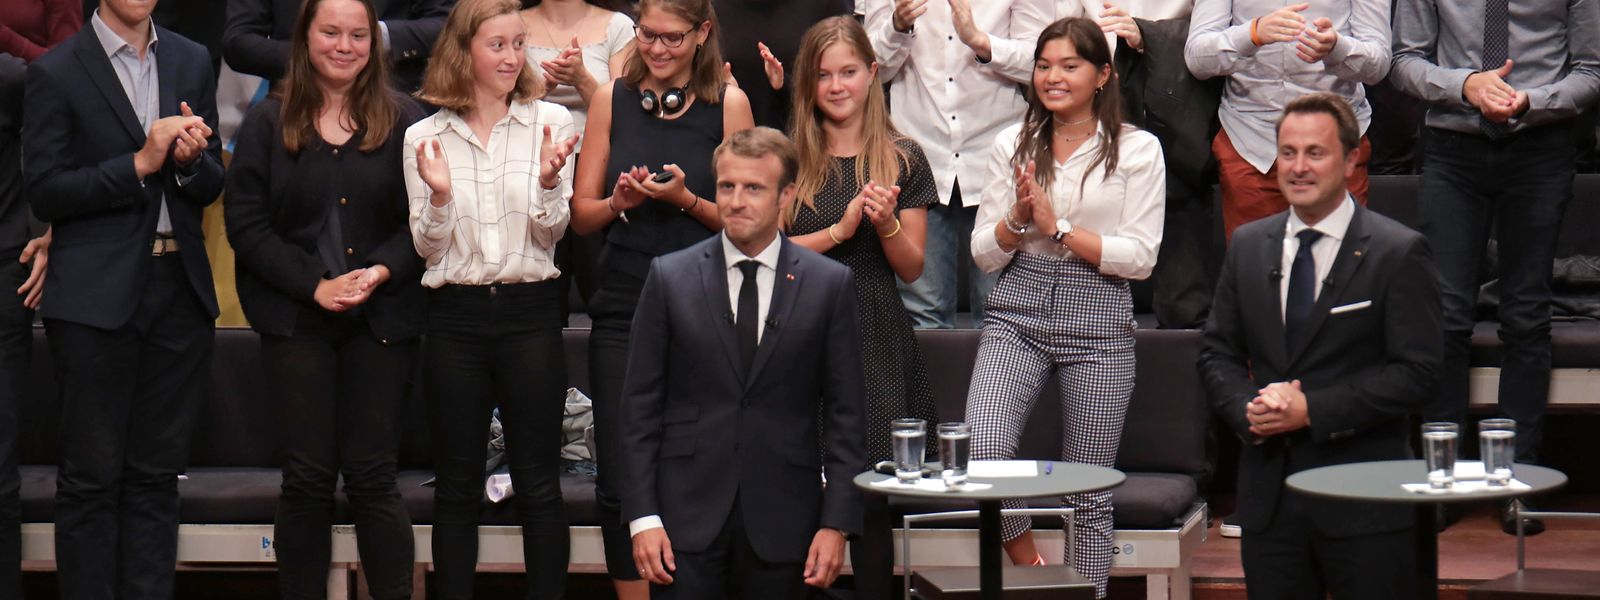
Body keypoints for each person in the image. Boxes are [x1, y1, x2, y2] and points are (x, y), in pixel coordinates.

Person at [1198, 92, 1442, 599]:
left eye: (1315, 152)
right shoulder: (1248, 246)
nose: (1299, 167)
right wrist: (1248, 409)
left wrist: (1312, 410)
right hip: (1271, 502)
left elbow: (1418, 373)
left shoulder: (1397, 251)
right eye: (1288, 153)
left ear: (1351, 160)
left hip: (1367, 501)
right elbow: (1217, 353)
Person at [22, 0, 225, 597]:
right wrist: (139, 163)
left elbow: (211, 184)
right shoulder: (56, 70)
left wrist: (190, 162)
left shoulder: (191, 58)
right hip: (93, 300)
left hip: (178, 289)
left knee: (157, 480)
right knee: (90, 481)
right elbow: (47, 191)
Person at [224, 0, 424, 597]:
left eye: (358, 34)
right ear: (304, 37)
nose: (345, 46)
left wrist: (380, 271)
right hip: (296, 321)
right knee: (307, 479)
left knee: (374, 477)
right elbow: (246, 226)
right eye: (331, 32)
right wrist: (314, 284)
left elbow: (427, 222)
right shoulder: (267, 121)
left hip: (381, 319)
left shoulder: (407, 119)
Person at [963, 17, 1164, 598]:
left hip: (1099, 315)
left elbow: (1141, 257)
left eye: (1069, 65)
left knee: (1089, 488)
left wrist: (1060, 228)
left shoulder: (1137, 148)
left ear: (1102, 75)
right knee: (984, 451)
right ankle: (1035, 573)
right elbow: (984, 253)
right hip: (1018, 309)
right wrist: (1016, 220)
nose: (1053, 76)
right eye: (1044, 65)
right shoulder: (1012, 143)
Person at [622, 126, 866, 600]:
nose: (736, 201)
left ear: (785, 196)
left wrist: (836, 523)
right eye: (726, 186)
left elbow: (847, 417)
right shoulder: (670, 277)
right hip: (683, 524)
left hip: (786, 522)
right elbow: (638, 410)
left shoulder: (828, 284)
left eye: (753, 188)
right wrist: (642, 518)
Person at [1391, 0, 1600, 535]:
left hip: (1541, 145)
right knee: (1445, 315)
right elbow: (1404, 60)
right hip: (1452, 148)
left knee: (1526, 315)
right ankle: (1441, 480)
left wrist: (1533, 99)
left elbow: (1591, 70)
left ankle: (1515, 479)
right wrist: (1465, 85)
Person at [567, 0, 753, 595]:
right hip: (624, 297)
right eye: (648, 35)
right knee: (620, 473)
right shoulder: (610, 99)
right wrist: (618, 202)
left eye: (673, 38)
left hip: (709, 301)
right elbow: (581, 216)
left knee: (701, 466)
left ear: (702, 33)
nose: (658, 49)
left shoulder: (730, 104)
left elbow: (750, 223)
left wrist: (686, 201)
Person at [403, 0, 580, 597]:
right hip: (454, 318)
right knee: (456, 487)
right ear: (463, 51)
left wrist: (551, 182)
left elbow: (552, 234)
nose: (512, 57)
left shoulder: (551, 120)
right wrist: (440, 198)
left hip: (531, 314)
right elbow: (427, 248)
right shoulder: (423, 135)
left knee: (540, 484)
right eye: (497, 45)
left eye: (518, 44)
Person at [780, 16, 936, 599]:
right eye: (823, 75)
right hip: (797, 329)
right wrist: (840, 231)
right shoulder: (789, 157)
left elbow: (912, 267)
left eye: (848, 72)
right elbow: (766, 252)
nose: (836, 85)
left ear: (873, 73)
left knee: (871, 490)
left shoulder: (903, 157)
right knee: (798, 481)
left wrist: (887, 223)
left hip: (873, 329)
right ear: (808, 82)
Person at [863, 0, 1053, 329]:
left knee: (1002, 316)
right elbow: (870, 68)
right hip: (919, 160)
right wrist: (897, 26)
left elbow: (1041, 64)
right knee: (923, 317)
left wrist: (981, 42)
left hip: (997, 160)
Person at [1184, 0, 1389, 242]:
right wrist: (1252, 34)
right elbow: (1197, 58)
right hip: (1251, 140)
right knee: (1254, 261)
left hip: (1333, 141)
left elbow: (1379, 64)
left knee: (1341, 261)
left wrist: (1337, 47)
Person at [520, 0, 633, 310]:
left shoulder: (618, 26)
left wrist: (582, 78)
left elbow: (628, 113)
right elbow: (498, 110)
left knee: (601, 284)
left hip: (597, 164)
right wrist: (543, 88)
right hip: (529, 167)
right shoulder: (512, 22)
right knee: (540, 293)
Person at [224, 0, 454, 92]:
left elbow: (449, 23)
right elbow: (238, 42)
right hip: (295, 108)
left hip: (392, 104)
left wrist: (373, 37)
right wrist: (315, 55)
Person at [713, 0, 851, 129]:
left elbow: (846, 76)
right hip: (724, 135)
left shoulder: (825, 5)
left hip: (806, 134)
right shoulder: (711, 8)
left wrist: (785, 85)